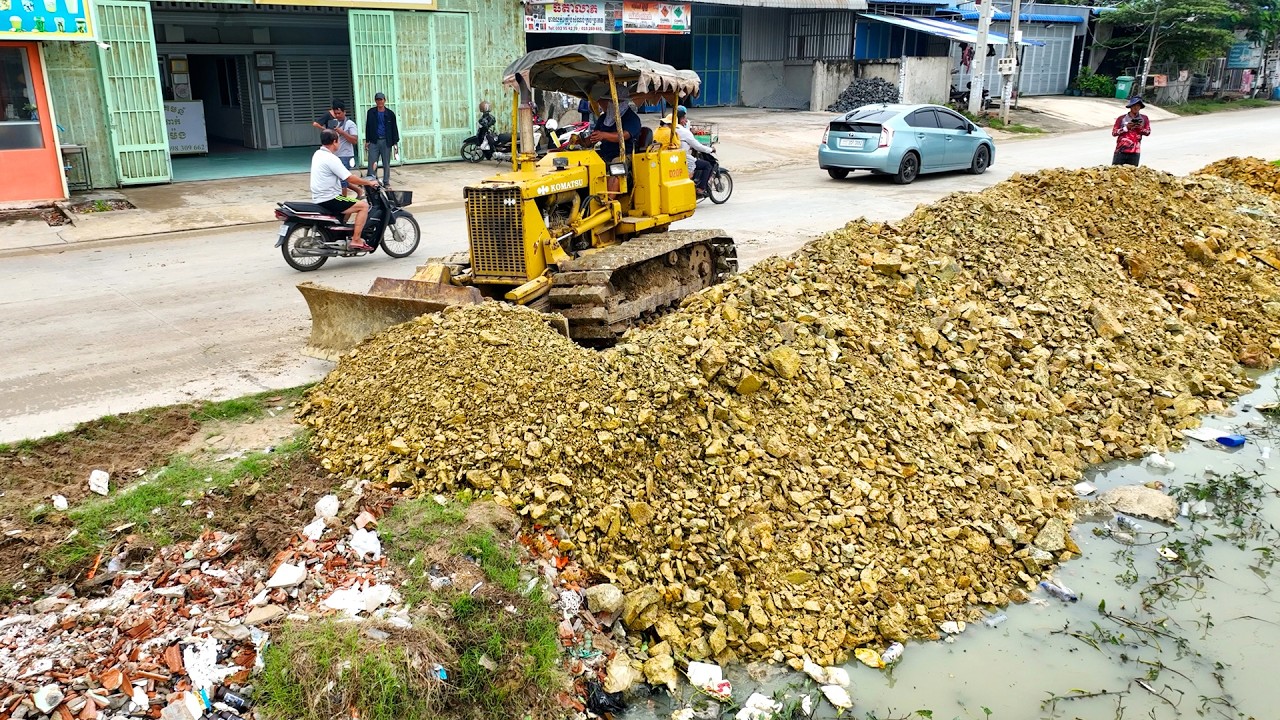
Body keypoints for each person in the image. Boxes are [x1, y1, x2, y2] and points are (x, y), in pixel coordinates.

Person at [311, 129, 380, 252]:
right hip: (330, 198)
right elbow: (349, 177)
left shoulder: (318, 154)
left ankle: (342, 232)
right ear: (334, 142)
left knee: (351, 201)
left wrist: (358, 189)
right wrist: (369, 182)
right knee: (363, 206)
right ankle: (356, 240)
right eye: (338, 140)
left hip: (320, 196)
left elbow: (341, 179)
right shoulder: (331, 159)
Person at [315, 101, 362, 198]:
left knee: (343, 179)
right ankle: (358, 191)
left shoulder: (350, 124)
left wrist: (342, 132)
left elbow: (354, 140)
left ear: (345, 112)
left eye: (339, 113)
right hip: (333, 155)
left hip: (345, 155)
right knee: (337, 179)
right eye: (335, 114)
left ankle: (344, 201)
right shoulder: (333, 123)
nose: (337, 115)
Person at [587, 85, 641, 163]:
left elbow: (624, 136)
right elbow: (594, 137)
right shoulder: (603, 118)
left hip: (624, 155)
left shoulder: (632, 118)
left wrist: (603, 135)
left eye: (610, 101)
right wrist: (582, 142)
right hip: (605, 153)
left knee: (616, 163)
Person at [673, 106, 715, 195]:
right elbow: (698, 146)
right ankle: (701, 189)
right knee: (707, 165)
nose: (686, 120)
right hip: (683, 158)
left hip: (673, 157)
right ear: (681, 119)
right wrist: (710, 150)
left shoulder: (670, 129)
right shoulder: (684, 132)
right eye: (684, 118)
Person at [365, 92, 400, 187]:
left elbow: (394, 128)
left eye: (381, 99)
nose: (379, 101)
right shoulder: (371, 112)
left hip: (386, 141)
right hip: (374, 141)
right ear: (375, 101)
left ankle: (386, 181)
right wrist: (367, 141)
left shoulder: (390, 114)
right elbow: (368, 127)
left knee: (386, 163)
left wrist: (395, 142)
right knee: (372, 162)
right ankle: (372, 180)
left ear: (385, 100)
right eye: (377, 100)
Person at [1112, 96, 1151, 166]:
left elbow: (1148, 132)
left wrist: (1139, 128)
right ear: (1131, 106)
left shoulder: (1144, 118)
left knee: (1132, 174)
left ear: (1140, 107)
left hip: (1135, 151)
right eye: (1134, 105)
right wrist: (1126, 128)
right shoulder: (1121, 118)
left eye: (1138, 106)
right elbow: (1114, 133)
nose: (1136, 107)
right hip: (1121, 151)